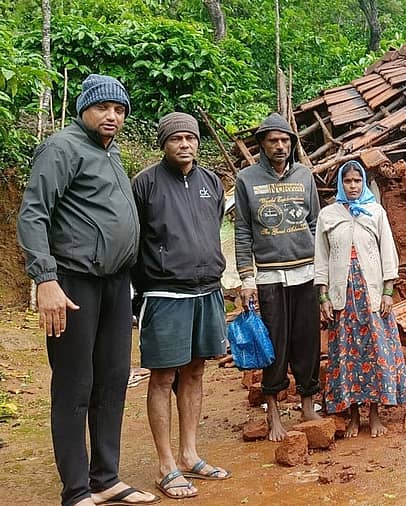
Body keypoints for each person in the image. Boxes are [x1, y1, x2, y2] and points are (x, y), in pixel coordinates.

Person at [17, 74, 159, 506]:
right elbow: (33, 215)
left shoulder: (110, 153)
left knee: (113, 380)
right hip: (73, 282)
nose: (112, 116)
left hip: (116, 284)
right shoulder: (62, 148)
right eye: (102, 108)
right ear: (84, 109)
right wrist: (45, 279)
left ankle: (106, 478)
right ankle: (76, 490)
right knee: (75, 386)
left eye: (119, 110)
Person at [131, 112, 231, 499]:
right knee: (162, 376)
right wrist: (137, 294)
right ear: (164, 144)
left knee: (195, 372)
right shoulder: (145, 183)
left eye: (190, 138)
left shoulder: (210, 181)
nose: (185, 144)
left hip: (207, 290)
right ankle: (165, 464)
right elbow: (134, 240)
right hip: (164, 293)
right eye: (176, 139)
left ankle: (189, 455)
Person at [234, 113, 322, 441]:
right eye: (273, 140)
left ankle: (308, 403)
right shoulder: (247, 179)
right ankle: (272, 409)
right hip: (270, 276)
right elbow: (243, 229)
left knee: (307, 340)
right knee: (274, 344)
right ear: (262, 145)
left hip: (307, 273)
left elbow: (315, 223)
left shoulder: (304, 176)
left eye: (285, 140)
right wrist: (246, 278)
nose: (280, 146)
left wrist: (321, 269)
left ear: (292, 144)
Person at [314, 160, 406, 438]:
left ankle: (375, 415)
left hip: (371, 295)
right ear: (340, 185)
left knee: (375, 351)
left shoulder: (375, 212)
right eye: (348, 182)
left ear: (364, 183)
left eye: (358, 181)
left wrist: (388, 292)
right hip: (341, 296)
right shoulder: (329, 215)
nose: (353, 186)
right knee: (347, 355)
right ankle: (354, 416)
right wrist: (323, 296)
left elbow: (388, 254)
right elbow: (320, 258)